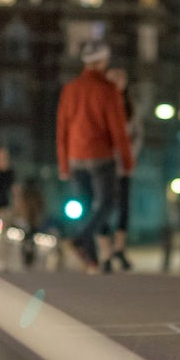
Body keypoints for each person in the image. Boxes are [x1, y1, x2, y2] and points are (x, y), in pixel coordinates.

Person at [55, 40, 134, 273]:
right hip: (100, 156)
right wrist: (127, 161)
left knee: (87, 207)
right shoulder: (107, 90)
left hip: (75, 156)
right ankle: (81, 239)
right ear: (103, 61)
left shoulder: (70, 88)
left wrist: (63, 163)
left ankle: (91, 260)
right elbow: (118, 129)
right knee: (106, 204)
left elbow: (62, 128)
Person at [101, 66, 141, 271]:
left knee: (123, 208)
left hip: (124, 165)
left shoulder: (130, 106)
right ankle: (106, 253)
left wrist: (129, 157)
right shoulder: (102, 102)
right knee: (103, 207)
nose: (118, 80)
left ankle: (119, 249)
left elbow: (137, 135)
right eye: (114, 76)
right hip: (104, 164)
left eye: (121, 76)